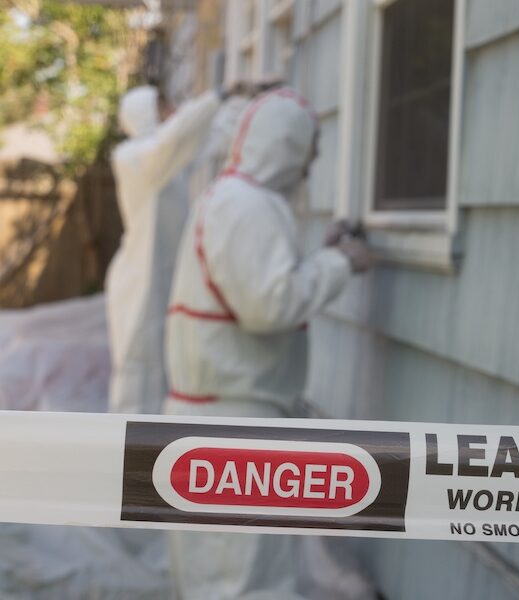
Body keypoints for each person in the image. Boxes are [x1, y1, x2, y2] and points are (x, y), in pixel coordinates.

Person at [163, 87, 373, 599]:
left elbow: (256, 286)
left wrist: (316, 260)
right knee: (245, 581)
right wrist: (341, 263)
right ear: (287, 145)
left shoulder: (233, 199)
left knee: (214, 575)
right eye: (310, 150)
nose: (311, 165)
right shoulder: (247, 206)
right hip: (233, 431)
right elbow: (268, 305)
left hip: (217, 421)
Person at [106, 84, 224, 415]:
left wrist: (235, 105)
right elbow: (174, 138)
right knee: (136, 364)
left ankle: (155, 447)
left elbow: (203, 141)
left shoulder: (165, 160)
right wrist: (216, 95)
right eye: (164, 106)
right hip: (137, 277)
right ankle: (123, 447)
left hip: (162, 273)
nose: (171, 110)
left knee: (163, 362)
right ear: (146, 112)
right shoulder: (132, 156)